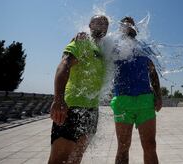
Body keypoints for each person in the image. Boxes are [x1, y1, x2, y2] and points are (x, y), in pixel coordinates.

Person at [48, 15, 109, 164]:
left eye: (105, 23)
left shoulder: (103, 49)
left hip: (91, 110)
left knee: (76, 158)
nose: (102, 24)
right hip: (72, 107)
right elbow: (64, 64)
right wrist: (59, 99)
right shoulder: (82, 41)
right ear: (90, 25)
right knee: (60, 159)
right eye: (98, 21)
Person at [111, 17, 162, 164]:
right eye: (124, 24)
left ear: (136, 28)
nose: (128, 26)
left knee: (150, 145)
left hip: (145, 99)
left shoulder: (144, 46)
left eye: (131, 23)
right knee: (123, 147)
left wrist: (158, 96)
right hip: (122, 100)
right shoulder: (114, 46)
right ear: (120, 29)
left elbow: (152, 72)